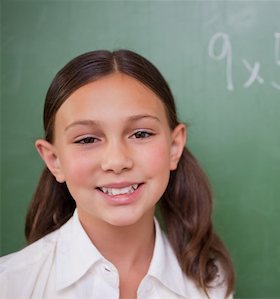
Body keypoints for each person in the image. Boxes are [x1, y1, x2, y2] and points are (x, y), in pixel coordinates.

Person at [0, 49, 235, 299]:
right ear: (54, 159)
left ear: (174, 146)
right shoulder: (10, 284)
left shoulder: (210, 284)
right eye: (87, 139)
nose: (117, 161)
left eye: (141, 134)